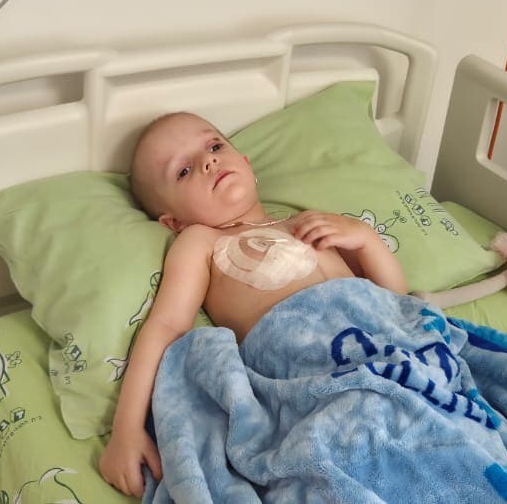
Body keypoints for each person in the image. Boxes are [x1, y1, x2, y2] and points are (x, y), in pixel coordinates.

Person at [98, 111, 407, 496]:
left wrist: (364, 239)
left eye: (214, 146)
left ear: (245, 163)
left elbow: (396, 305)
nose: (208, 161)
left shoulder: (308, 223)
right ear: (173, 222)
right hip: (308, 364)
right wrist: (125, 430)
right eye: (184, 171)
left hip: (379, 349)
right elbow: (165, 327)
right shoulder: (202, 241)